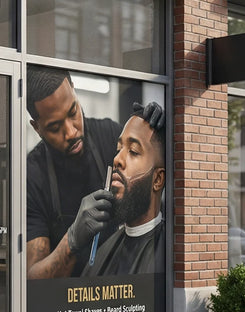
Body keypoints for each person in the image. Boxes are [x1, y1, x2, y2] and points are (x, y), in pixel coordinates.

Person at [26, 66, 164, 278]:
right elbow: (33, 278)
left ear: (73, 89)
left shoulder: (109, 135)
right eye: (55, 127)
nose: (71, 132)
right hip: (64, 302)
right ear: (37, 128)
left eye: (73, 112)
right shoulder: (33, 176)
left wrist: (163, 131)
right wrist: (72, 240)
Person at [83, 105, 166, 276]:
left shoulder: (172, 253)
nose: (117, 159)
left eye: (133, 152)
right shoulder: (101, 254)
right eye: (118, 149)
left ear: (157, 180)